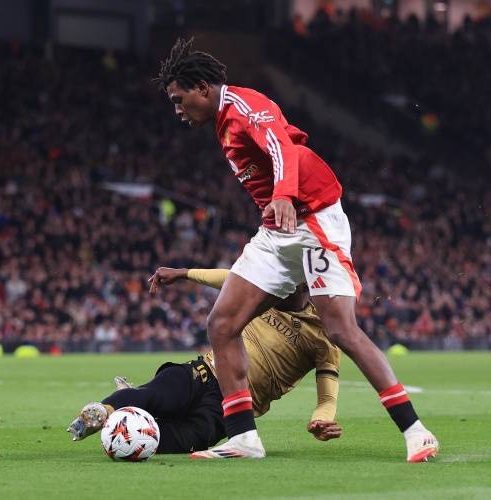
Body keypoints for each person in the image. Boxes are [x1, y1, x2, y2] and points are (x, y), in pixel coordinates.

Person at [153, 38, 438, 462]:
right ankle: (243, 438)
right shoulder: (222, 121)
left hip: (314, 220)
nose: (177, 110)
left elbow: (281, 146)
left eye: (179, 100)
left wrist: (285, 195)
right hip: (276, 232)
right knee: (222, 323)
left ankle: (416, 431)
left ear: (202, 88)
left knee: (340, 330)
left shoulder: (245, 104)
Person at [67, 267, 343, 452]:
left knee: (175, 441)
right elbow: (230, 277)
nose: (276, 288)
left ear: (304, 287)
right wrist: (184, 273)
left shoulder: (325, 337)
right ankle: (102, 412)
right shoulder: (264, 294)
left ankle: (126, 414)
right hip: (205, 372)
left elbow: (327, 400)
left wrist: (320, 420)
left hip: (232, 407)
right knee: (157, 395)